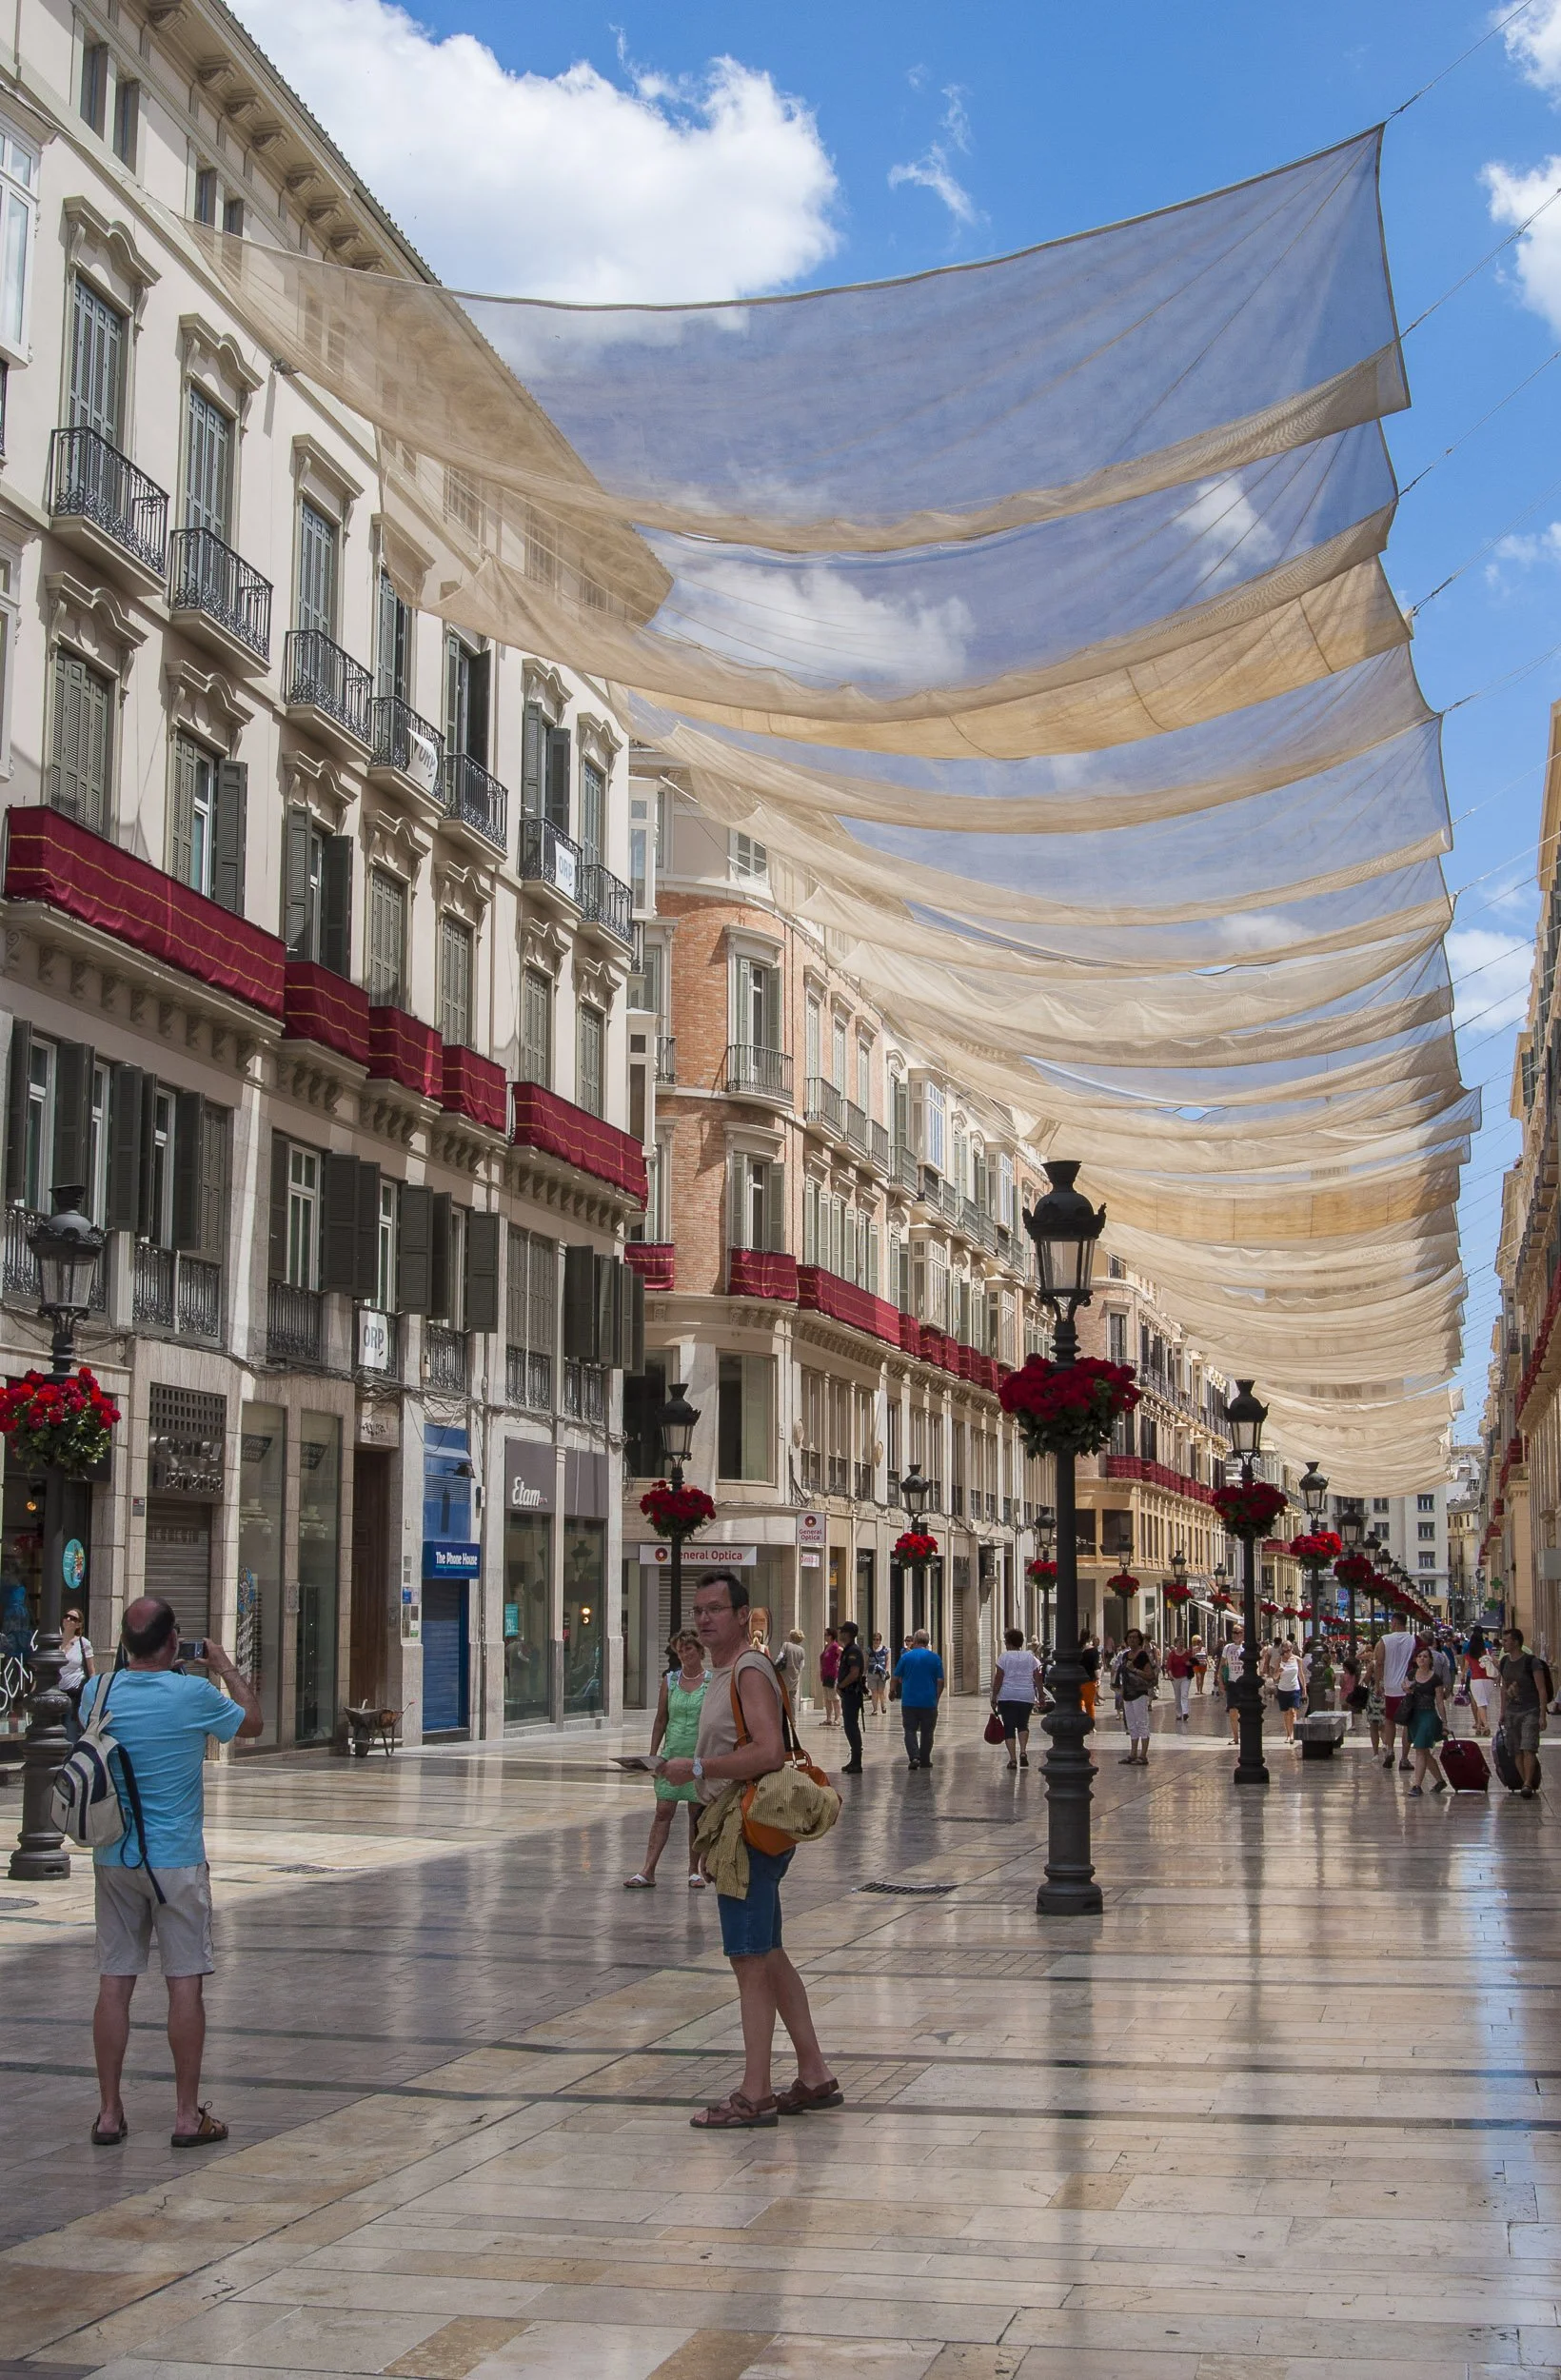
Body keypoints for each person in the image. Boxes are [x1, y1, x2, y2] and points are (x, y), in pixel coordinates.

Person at [659, 1571, 839, 2128]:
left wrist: (694, 1767)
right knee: (769, 1950)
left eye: (716, 1608)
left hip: (748, 1824)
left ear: (743, 1615)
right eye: (698, 1611)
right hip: (738, 1819)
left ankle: (754, 2092)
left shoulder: (748, 1670)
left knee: (748, 1959)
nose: (705, 1618)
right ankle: (813, 2073)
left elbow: (767, 1752)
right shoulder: (723, 1672)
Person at [79, 1597, 261, 2149]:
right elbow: (252, 1724)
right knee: (184, 1983)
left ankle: (109, 2113)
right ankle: (186, 2116)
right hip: (176, 1862)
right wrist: (224, 1666)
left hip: (114, 1857)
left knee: (115, 1983)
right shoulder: (193, 1694)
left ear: (126, 1644)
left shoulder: (97, 1691)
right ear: (172, 1641)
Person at [624, 1631, 707, 1889]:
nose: (684, 1655)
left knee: (696, 1815)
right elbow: (661, 1718)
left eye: (689, 1650)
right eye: (680, 1651)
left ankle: (694, 1870)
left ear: (700, 1651)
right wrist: (653, 1754)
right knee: (663, 1811)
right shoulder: (670, 1681)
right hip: (672, 1753)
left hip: (698, 1755)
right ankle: (648, 1870)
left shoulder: (712, 1682)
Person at [1499, 1625, 1551, 1797]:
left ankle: (1528, 1782)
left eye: (1506, 1640)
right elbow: (1503, 1688)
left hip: (1530, 1710)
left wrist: (1542, 1715)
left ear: (1515, 1642)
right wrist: (1502, 1712)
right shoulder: (1505, 1662)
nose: (1503, 1643)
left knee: (1528, 1747)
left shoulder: (1531, 1662)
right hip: (1512, 1712)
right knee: (1516, 1750)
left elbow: (1541, 1689)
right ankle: (1525, 1783)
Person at [1399, 1646, 1450, 1795]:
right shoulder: (1411, 1674)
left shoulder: (1435, 1679)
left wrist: (1444, 1722)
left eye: (1425, 1656)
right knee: (1425, 1752)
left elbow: (1440, 1702)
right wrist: (1407, 1690)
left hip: (1428, 1716)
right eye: (1419, 1656)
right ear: (1416, 1659)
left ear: (1430, 1660)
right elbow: (1405, 1689)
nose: (1422, 1658)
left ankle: (1417, 1786)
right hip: (1414, 1716)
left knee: (1420, 1749)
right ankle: (1440, 1781)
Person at [990, 1626, 1042, 1769]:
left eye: (1006, 1641)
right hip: (1026, 1695)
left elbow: (999, 1678)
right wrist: (1041, 1695)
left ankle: (1013, 1759)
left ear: (1009, 1643)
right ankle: (1023, 1751)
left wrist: (994, 1696)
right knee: (1023, 1724)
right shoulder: (1029, 1656)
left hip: (1007, 1696)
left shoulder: (1004, 1657)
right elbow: (1037, 1677)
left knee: (1009, 1727)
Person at [1373, 1612, 1419, 1772]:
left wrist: (1378, 1684)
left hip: (1390, 1687)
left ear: (1394, 1623)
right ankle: (1405, 1758)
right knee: (1407, 1723)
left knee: (1389, 1720)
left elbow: (1379, 1663)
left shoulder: (1385, 1640)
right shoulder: (1414, 1640)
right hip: (1407, 1687)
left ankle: (1390, 1750)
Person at [894, 1628, 944, 1768]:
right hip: (929, 1702)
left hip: (909, 1701)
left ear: (914, 1641)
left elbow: (895, 1677)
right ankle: (925, 1759)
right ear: (928, 1642)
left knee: (909, 1730)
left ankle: (914, 1757)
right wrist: (936, 1698)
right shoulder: (935, 1658)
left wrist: (892, 1691)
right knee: (928, 1732)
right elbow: (941, 1682)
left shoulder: (906, 1657)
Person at [1116, 1628, 1156, 1765]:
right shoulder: (1126, 1655)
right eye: (1130, 1637)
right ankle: (1133, 1753)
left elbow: (1150, 1674)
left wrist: (1135, 1670)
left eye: (1135, 1637)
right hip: (1127, 1693)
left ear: (1139, 1640)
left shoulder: (1143, 1655)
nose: (1132, 1640)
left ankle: (1143, 1755)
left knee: (1142, 1723)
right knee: (1131, 1724)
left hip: (1139, 1692)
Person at [58, 1607, 96, 1741]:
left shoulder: (83, 1643)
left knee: (70, 1732)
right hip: (55, 1694)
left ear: (79, 1624)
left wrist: (93, 1694)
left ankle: (71, 1760)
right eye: (66, 1616)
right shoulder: (55, 1641)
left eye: (73, 1618)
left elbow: (91, 1671)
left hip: (74, 1695)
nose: (68, 1619)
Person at [836, 1620, 866, 1774]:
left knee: (851, 1726)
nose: (840, 1633)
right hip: (848, 1693)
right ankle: (854, 1760)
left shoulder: (853, 1651)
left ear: (847, 1634)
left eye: (842, 1631)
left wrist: (841, 1685)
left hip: (852, 1693)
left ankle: (856, 1761)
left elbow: (854, 1673)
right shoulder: (849, 1649)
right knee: (849, 1726)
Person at [1464, 1626, 1494, 1738]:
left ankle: (1485, 1725)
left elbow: (1466, 1667)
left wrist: (1462, 1676)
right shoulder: (1487, 1650)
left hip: (1475, 1680)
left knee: (1480, 1703)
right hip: (1488, 1679)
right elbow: (1494, 1662)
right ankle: (1478, 1726)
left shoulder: (1469, 1653)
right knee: (1483, 1703)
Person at [1273, 1639, 1304, 1747]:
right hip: (1283, 1689)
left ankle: (1292, 1735)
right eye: (1284, 1650)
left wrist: (1304, 1689)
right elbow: (1275, 1677)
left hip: (1295, 1688)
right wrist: (1278, 1671)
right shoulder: (1279, 1660)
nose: (1286, 1652)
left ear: (1292, 1649)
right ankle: (1288, 1734)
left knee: (1293, 1711)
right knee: (1286, 1713)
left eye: (1288, 1650)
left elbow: (1301, 1674)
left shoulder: (1297, 1660)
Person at [1220, 1632, 1246, 1747]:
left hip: (1243, 1682)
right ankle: (1236, 1737)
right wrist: (1220, 1681)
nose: (1235, 1635)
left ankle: (1245, 1735)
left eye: (1238, 1632)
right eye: (1233, 1632)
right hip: (1231, 1682)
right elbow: (1222, 1665)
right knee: (1232, 1711)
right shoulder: (1228, 1647)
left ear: (1243, 1634)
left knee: (1244, 1711)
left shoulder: (1246, 1647)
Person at [774, 1628, 806, 1706]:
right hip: (794, 1675)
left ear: (791, 1637)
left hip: (784, 1673)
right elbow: (802, 1665)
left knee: (781, 1694)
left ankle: (781, 1716)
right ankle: (793, 1717)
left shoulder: (786, 1645)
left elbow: (780, 1657)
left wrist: (775, 1666)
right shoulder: (802, 1650)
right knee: (792, 1697)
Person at [1164, 1638, 1193, 1724]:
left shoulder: (1187, 1653)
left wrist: (1190, 1663)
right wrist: (1170, 1674)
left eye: (1182, 1642)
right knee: (1177, 1696)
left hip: (1185, 1677)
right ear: (1175, 1644)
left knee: (1184, 1694)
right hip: (1175, 1677)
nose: (1181, 1644)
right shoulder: (1172, 1653)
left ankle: (1185, 1712)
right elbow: (1169, 1665)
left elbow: (1192, 1662)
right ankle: (1178, 1713)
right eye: (1180, 1642)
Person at [819, 1626, 841, 1727]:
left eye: (826, 1635)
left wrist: (838, 1661)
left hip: (833, 1675)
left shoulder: (835, 1646)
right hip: (825, 1675)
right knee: (827, 1698)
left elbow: (842, 1651)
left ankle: (837, 1719)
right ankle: (828, 1718)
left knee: (835, 1698)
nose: (824, 1636)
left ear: (831, 1636)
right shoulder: (826, 1646)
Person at [1078, 1630, 1099, 1722]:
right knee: (1089, 1703)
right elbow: (1096, 1667)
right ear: (1090, 1637)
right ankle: (1090, 1724)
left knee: (1079, 1701)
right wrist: (1098, 1678)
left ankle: (1079, 1721)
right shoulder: (1093, 1650)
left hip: (1077, 1679)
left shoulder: (1077, 1649)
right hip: (1090, 1679)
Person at [866, 1631, 889, 1716]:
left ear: (880, 1640)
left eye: (877, 1639)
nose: (876, 1641)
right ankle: (875, 1709)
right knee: (874, 1692)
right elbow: (866, 1662)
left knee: (881, 1691)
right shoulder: (869, 1650)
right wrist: (864, 1673)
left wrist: (886, 1670)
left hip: (881, 1674)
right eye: (874, 1639)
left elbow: (887, 1660)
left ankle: (883, 1706)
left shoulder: (885, 1649)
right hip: (872, 1673)